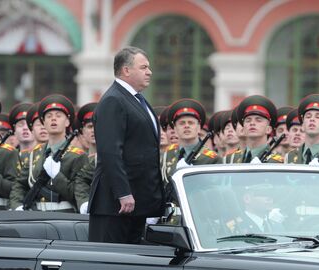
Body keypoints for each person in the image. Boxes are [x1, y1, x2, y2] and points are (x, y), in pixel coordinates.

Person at [88, 47, 165, 244]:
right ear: (126, 70)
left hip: (135, 202)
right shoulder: (114, 100)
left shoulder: (136, 99)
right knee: (109, 264)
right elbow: (110, 152)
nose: (149, 72)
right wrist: (123, 193)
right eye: (144, 67)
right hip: (115, 204)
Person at [9, 94, 87, 212]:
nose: (53, 119)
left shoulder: (77, 156)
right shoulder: (35, 154)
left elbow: (79, 194)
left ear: (67, 122)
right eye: (49, 116)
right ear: (44, 123)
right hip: (36, 217)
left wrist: (57, 177)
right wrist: (17, 206)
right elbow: (19, 185)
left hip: (65, 218)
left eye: (58, 116)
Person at [160, 99, 220, 184]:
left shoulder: (211, 159)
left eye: (191, 123)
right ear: (175, 129)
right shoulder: (167, 155)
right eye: (182, 123)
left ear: (199, 127)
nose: (186, 126)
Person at [225, 95, 283, 164]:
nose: (252, 123)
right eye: (248, 120)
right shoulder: (231, 159)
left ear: (268, 129)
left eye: (258, 120)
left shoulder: (276, 162)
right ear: (243, 129)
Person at [74, 102, 97, 215]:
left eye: (97, 125)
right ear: (82, 131)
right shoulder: (78, 159)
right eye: (89, 127)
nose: (93, 130)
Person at [8, 103, 35, 169]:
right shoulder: (8, 158)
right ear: (14, 130)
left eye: (28, 124)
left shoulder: (44, 155)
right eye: (21, 124)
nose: (25, 128)